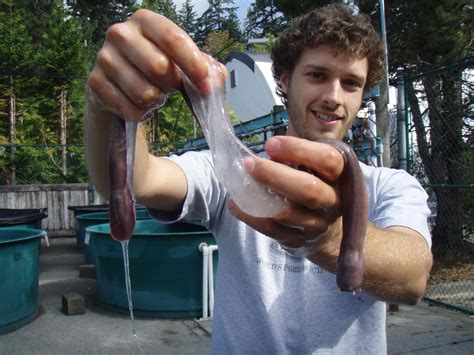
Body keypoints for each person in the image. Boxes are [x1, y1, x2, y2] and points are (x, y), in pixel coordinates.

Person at [85, 4, 433, 354]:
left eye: (351, 83)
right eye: (317, 75)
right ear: (284, 79)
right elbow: (138, 181)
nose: (333, 96)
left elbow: (412, 278)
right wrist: (108, 98)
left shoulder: (390, 184)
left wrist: (330, 238)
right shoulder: (227, 172)